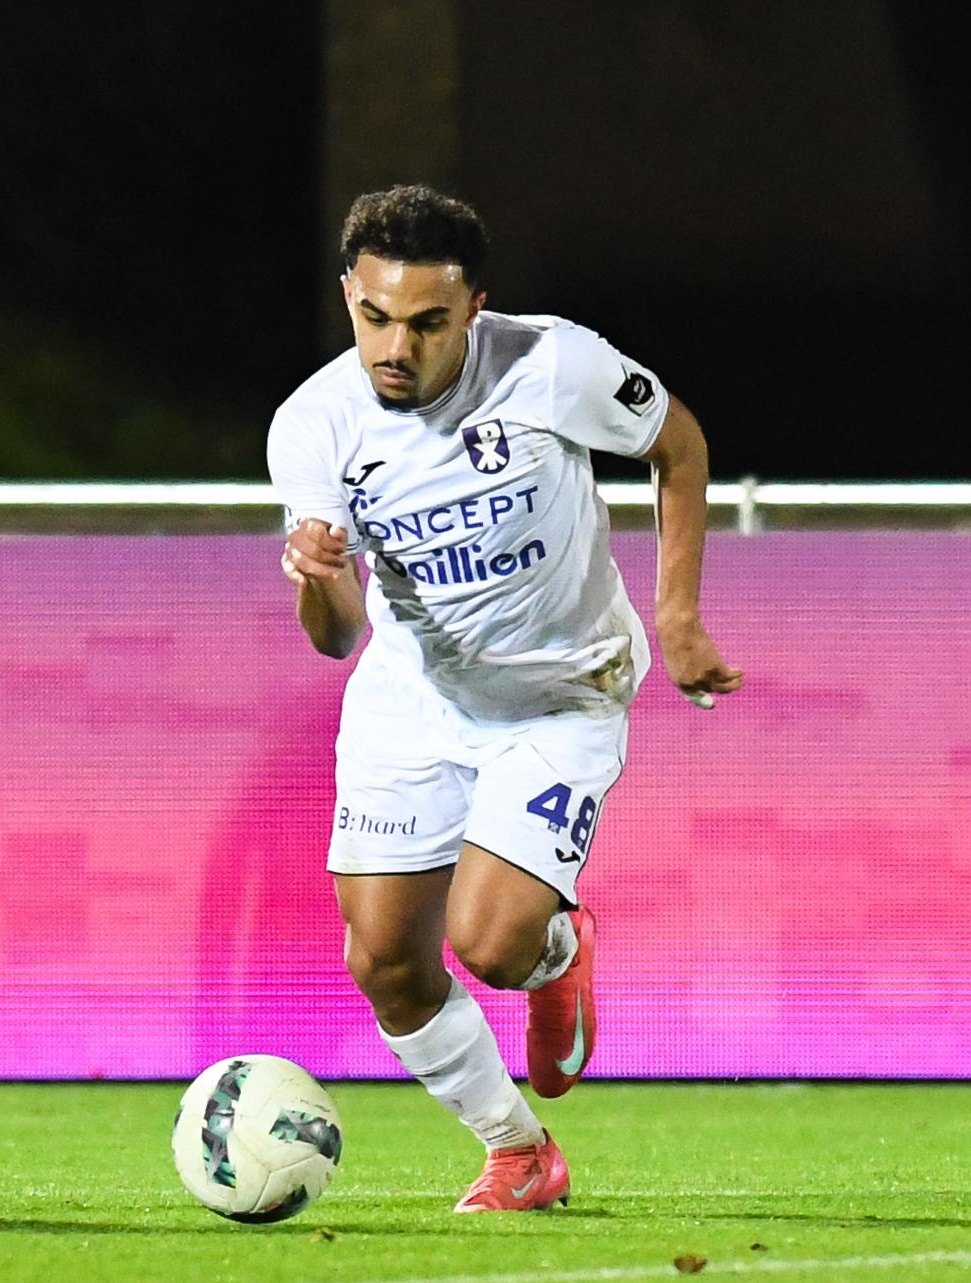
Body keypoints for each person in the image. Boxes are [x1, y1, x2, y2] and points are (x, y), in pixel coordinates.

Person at [266, 185, 741, 1213]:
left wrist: (681, 618)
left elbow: (680, 444)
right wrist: (317, 575)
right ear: (350, 292)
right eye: (375, 316)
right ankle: (520, 1150)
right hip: (415, 695)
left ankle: (555, 946)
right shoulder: (313, 427)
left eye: (428, 323)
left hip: (562, 696)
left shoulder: (554, 363)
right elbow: (341, 634)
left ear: (474, 308)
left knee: (487, 941)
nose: (397, 345)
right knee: (384, 956)